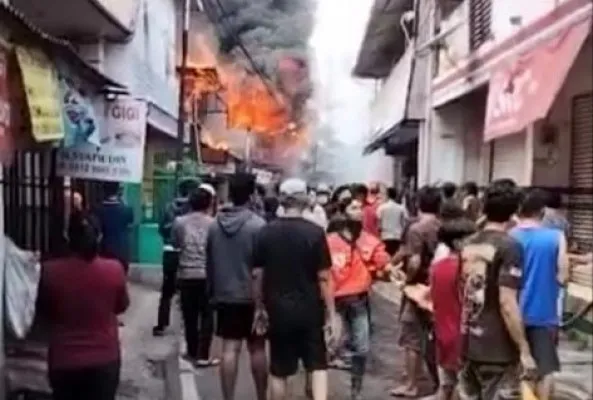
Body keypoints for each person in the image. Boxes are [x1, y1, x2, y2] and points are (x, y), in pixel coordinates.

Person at [252, 178, 335, 400]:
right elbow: (324, 277)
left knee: (279, 371)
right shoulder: (316, 233)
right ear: (305, 200)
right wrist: (332, 314)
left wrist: (259, 308)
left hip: (278, 310)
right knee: (317, 366)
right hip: (310, 310)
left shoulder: (265, 232)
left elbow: (258, 275)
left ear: (282, 200)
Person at [458, 181, 537, 399]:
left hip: (469, 344)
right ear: (515, 211)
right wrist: (524, 349)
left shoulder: (467, 243)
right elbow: (507, 303)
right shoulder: (510, 246)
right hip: (498, 350)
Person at [39, 212, 129, 400]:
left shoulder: (49, 271)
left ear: (67, 236)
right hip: (104, 359)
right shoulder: (114, 269)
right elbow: (121, 306)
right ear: (100, 237)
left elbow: (44, 311)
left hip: (64, 361)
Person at [206, 173, 267, 400]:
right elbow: (262, 268)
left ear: (229, 193)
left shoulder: (214, 226)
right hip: (253, 297)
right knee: (257, 349)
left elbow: (209, 262)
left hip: (224, 296)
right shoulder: (258, 225)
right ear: (251, 195)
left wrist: (212, 292)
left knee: (229, 349)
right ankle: (262, 396)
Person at [327, 197, 390, 400]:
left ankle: (356, 391)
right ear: (344, 212)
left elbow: (383, 263)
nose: (359, 211)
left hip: (359, 301)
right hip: (333, 304)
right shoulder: (329, 241)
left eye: (361, 208)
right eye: (353, 207)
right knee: (329, 346)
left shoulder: (371, 241)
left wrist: (388, 269)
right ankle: (315, 388)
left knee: (361, 349)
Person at [511, 189, 569, 400]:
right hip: (544, 314)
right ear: (542, 212)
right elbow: (563, 276)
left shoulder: (509, 237)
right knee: (545, 370)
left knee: (521, 367)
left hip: (512, 312)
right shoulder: (556, 237)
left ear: (519, 210)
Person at [391, 185, 442, 398]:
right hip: (440, 287)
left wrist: (406, 281)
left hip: (418, 289)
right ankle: (439, 382)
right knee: (435, 336)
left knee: (412, 336)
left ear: (418, 203)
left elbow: (413, 261)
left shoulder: (416, 229)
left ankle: (411, 384)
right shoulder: (443, 226)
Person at [171, 186, 219, 367]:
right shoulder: (214, 224)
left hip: (186, 273)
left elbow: (175, 244)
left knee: (189, 315)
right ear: (209, 204)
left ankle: (191, 351)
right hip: (207, 275)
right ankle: (203, 354)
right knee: (207, 316)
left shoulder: (179, 222)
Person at [430, 217, 476, 400]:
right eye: (473, 239)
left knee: (446, 385)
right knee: (463, 389)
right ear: (458, 242)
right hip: (462, 337)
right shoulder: (467, 268)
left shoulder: (437, 267)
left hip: (442, 333)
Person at [153, 178, 199, 336]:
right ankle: (188, 328)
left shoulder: (168, 207)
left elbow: (161, 228)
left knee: (166, 291)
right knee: (188, 293)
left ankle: (161, 324)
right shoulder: (193, 209)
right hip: (187, 253)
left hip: (169, 251)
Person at [94, 182, 134, 274]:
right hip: (122, 250)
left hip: (104, 250)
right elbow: (130, 225)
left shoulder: (98, 210)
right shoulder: (126, 209)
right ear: (117, 191)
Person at [376, 187, 408, 256]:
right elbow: (405, 221)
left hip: (385, 236)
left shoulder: (381, 207)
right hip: (397, 236)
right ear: (396, 195)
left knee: (386, 256)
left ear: (387, 195)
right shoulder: (401, 208)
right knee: (395, 255)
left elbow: (378, 224)